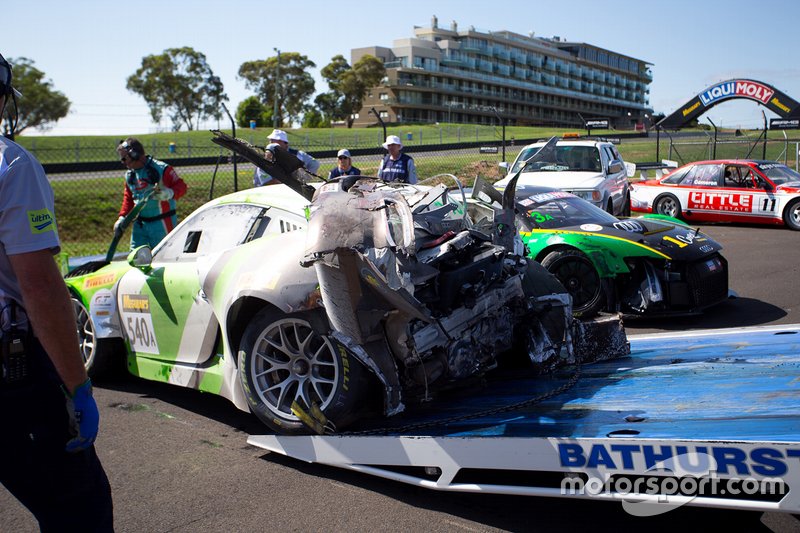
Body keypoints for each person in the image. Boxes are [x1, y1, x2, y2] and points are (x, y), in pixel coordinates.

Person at [0, 52, 114, 532]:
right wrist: (77, 384)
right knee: (78, 508)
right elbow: (41, 287)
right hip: (13, 373)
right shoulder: (11, 162)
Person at [115, 137, 188, 249]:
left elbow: (182, 186)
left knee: (165, 256)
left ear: (134, 154)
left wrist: (170, 193)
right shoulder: (130, 175)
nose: (122, 162)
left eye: (124, 159)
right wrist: (122, 217)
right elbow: (129, 198)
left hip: (162, 223)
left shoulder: (162, 169)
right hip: (140, 225)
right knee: (136, 258)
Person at [254, 129, 320, 186]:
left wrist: (303, 179)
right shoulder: (266, 159)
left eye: (274, 140)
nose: (271, 142)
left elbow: (314, 163)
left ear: (284, 142)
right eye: (271, 140)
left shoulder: (298, 154)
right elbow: (267, 183)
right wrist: (289, 181)